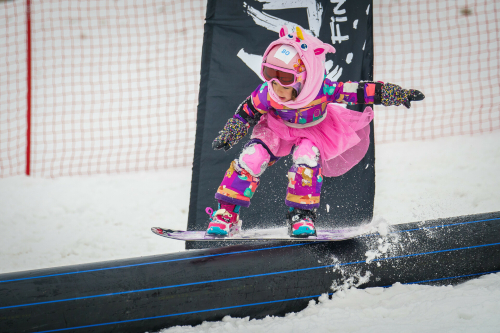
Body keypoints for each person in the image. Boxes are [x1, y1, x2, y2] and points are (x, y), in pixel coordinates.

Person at [206, 25, 424, 237]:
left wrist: (392, 93)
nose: (277, 88)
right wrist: (233, 130)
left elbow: (358, 92)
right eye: (270, 75)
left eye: (285, 81)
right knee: (252, 158)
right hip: (276, 128)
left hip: (312, 130)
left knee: (307, 158)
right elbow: (247, 111)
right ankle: (227, 212)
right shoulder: (268, 92)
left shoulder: (322, 90)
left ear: (303, 77)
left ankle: (301, 214)